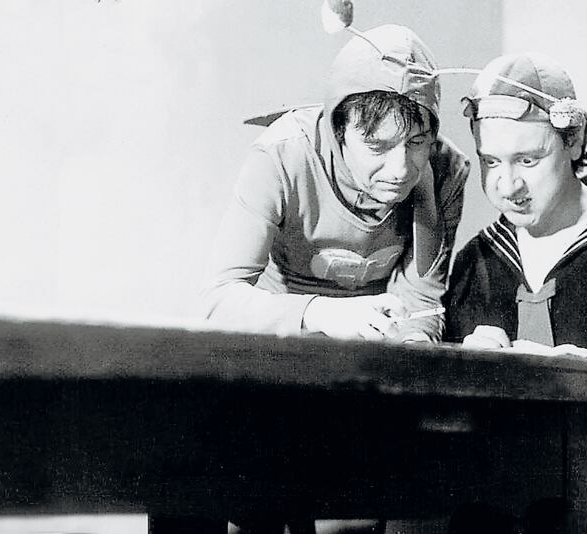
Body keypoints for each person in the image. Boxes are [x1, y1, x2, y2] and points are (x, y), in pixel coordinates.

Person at [443, 52, 587, 533]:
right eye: (491, 161)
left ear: (574, 139)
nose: (508, 185)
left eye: (528, 159)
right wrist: (464, 372)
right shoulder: (478, 263)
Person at [200, 24, 470, 345]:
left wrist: (414, 349)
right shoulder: (281, 156)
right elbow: (218, 301)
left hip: (378, 347)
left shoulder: (445, 169)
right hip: (279, 341)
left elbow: (421, 300)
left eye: (416, 142)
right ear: (338, 131)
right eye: (377, 146)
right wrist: (320, 313)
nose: (400, 170)